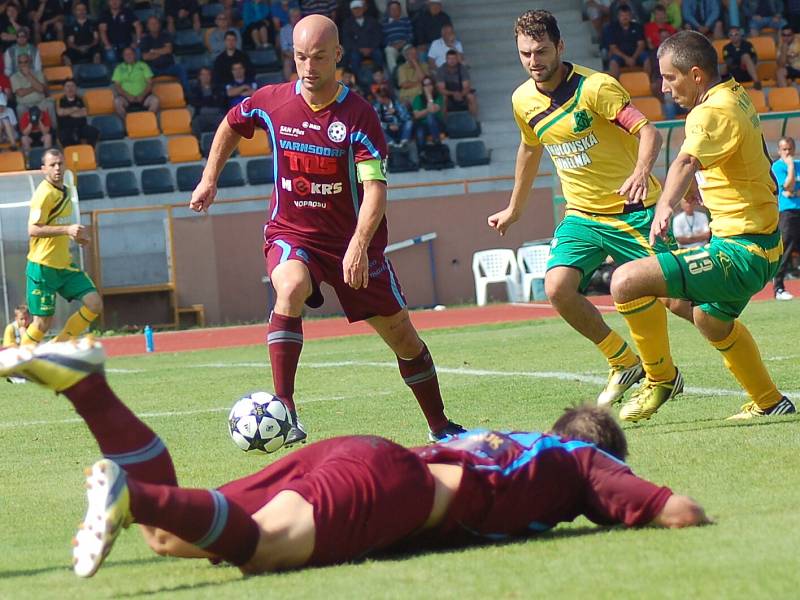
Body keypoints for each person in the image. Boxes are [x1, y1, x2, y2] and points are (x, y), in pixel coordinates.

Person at [0, 338, 710, 578]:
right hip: (394, 485)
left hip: (358, 453)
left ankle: (89, 387)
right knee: (269, 550)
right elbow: (675, 512)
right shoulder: (580, 465)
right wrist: (646, 510)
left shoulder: (515, 441)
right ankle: (129, 491)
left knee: (168, 540)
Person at [190, 14, 464, 443]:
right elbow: (231, 123)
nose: (309, 66)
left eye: (318, 57)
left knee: (404, 339)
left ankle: (440, 426)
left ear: (337, 55)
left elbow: (375, 189)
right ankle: (286, 411)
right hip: (291, 234)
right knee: (290, 286)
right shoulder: (272, 101)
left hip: (353, 245)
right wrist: (209, 178)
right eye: (300, 57)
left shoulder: (359, 116)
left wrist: (358, 245)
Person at [488, 10, 692, 408]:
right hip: (582, 215)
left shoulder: (596, 88)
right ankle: (623, 361)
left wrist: (640, 172)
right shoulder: (522, 100)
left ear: (560, 47)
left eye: (542, 51)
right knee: (557, 288)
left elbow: (647, 131)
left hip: (633, 211)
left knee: (683, 302)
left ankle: (742, 355)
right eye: (525, 53)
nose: (534, 61)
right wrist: (514, 208)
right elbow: (530, 148)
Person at [609, 30, 797, 421]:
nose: (663, 87)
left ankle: (659, 379)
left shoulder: (711, 110)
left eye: (669, 77)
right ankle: (771, 402)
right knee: (708, 318)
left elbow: (685, 161)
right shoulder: (733, 94)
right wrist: (694, 189)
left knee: (626, 280)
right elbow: (722, 154)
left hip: (740, 251)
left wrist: (665, 206)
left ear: (696, 75)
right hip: (758, 244)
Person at [19, 148, 103, 346]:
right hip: (42, 267)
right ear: (43, 169)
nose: (57, 168)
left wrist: (78, 237)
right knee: (42, 323)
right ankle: (19, 364)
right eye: (52, 165)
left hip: (63, 265)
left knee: (94, 303)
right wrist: (67, 229)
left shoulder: (65, 190)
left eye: (60, 163)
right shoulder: (44, 194)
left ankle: (59, 345)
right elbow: (33, 229)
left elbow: (60, 226)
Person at [770, 136, 800, 301]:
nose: (788, 152)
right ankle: (779, 288)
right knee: (786, 250)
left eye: (790, 149)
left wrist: (793, 192)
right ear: (779, 151)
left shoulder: (799, 165)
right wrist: (790, 167)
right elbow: (787, 187)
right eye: (784, 149)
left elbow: (792, 191)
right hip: (788, 212)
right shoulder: (779, 166)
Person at [139, 15, 190, 92]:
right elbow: (145, 57)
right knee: (141, 72)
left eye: (156, 23)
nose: (154, 25)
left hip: (168, 67)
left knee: (181, 68)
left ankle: (187, 94)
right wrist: (163, 51)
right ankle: (145, 97)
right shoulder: (145, 39)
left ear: (159, 25)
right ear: (148, 26)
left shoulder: (165, 35)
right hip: (153, 69)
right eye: (151, 24)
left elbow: (169, 50)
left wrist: (153, 51)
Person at [111, 46, 159, 120]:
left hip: (144, 97)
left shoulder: (143, 65)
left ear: (135, 55)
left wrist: (142, 95)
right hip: (126, 98)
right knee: (117, 102)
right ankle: (127, 123)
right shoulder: (119, 68)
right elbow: (117, 86)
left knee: (155, 101)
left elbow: (150, 83)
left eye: (130, 54)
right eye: (126, 54)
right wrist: (127, 96)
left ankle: (148, 121)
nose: (128, 56)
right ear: (123, 57)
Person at [604, 4, 650, 81]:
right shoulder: (611, 28)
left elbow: (641, 45)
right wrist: (627, 59)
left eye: (627, 15)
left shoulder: (637, 26)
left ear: (631, 16)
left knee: (647, 58)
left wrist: (633, 58)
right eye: (622, 15)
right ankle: (615, 85)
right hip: (621, 55)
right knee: (613, 62)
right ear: (618, 16)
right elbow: (613, 48)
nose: (625, 17)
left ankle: (646, 81)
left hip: (635, 54)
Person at [342, 0, 384, 73]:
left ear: (363, 9)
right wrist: (360, 49)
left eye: (359, 8)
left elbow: (378, 36)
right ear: (351, 10)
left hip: (372, 48)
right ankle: (357, 81)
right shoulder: (347, 23)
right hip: (356, 50)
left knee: (379, 54)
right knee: (354, 58)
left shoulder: (372, 21)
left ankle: (380, 78)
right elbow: (347, 40)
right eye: (355, 9)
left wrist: (371, 48)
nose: (357, 11)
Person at [56, 79, 100, 147]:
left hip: (81, 127)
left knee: (94, 132)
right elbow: (60, 112)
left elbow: (84, 112)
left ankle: (89, 151)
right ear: (64, 88)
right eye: (67, 86)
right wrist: (75, 109)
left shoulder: (82, 99)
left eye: (72, 86)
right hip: (66, 128)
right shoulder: (59, 100)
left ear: (76, 88)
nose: (70, 88)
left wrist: (67, 112)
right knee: (64, 137)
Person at [435, 49, 477, 115]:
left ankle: (473, 119)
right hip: (448, 93)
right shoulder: (441, 70)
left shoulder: (463, 69)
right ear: (446, 59)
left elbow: (466, 87)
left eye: (454, 58)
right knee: (443, 98)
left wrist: (461, 94)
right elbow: (441, 89)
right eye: (449, 58)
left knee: (471, 97)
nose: (451, 61)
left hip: (461, 92)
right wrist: (453, 93)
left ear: (457, 59)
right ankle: (443, 122)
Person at [373, 82, 413, 147]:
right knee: (377, 127)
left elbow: (407, 117)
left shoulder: (397, 104)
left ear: (384, 98)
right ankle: (390, 143)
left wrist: (396, 113)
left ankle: (404, 142)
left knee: (409, 122)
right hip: (388, 130)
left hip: (399, 128)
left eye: (378, 97)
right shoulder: (377, 107)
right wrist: (388, 127)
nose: (377, 99)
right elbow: (376, 122)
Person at [382, 0, 413, 74]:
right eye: (392, 9)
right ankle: (395, 75)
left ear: (400, 10)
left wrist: (404, 42)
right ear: (388, 11)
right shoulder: (383, 23)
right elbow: (382, 38)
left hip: (405, 44)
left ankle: (410, 74)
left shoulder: (406, 21)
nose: (395, 11)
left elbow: (411, 35)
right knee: (389, 51)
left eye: (397, 9)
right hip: (391, 46)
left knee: (410, 51)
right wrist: (391, 44)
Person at [411, 75, 444, 145]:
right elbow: (417, 115)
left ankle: (437, 141)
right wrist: (429, 109)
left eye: (429, 84)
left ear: (433, 85)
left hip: (437, 124)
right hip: (423, 124)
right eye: (425, 85)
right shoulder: (418, 98)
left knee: (430, 117)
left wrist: (429, 95)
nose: (427, 87)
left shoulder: (438, 96)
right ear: (422, 87)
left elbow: (432, 111)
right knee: (420, 133)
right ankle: (422, 153)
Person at [279, 6, 301, 80]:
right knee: (287, 62)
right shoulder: (284, 30)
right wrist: (295, 56)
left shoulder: (305, 29)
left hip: (304, 55)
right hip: (290, 56)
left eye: (297, 16)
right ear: (289, 17)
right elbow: (284, 49)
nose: (295, 18)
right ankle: (288, 85)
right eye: (293, 16)